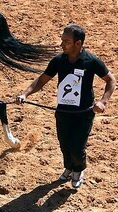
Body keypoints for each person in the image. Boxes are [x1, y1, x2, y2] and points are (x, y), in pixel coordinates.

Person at [16, 24, 116, 188]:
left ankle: (78, 170)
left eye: (66, 41)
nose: (61, 44)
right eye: (62, 40)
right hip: (63, 111)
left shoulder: (91, 61)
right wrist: (25, 94)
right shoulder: (59, 60)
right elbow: (42, 80)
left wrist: (102, 101)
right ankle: (69, 168)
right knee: (64, 144)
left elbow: (111, 80)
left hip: (84, 113)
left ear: (78, 43)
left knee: (77, 147)